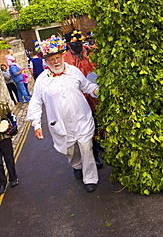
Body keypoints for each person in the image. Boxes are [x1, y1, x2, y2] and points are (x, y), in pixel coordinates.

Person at [26, 36, 99, 192]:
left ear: (62, 57)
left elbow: (86, 86)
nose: (56, 62)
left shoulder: (73, 71)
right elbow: (36, 102)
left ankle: (90, 178)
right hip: (60, 123)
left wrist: (97, 90)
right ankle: (77, 165)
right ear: (46, 61)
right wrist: (36, 124)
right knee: (70, 150)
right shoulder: (42, 81)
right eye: (52, 59)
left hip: (82, 118)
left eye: (58, 58)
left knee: (86, 147)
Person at [60, 17, 104, 169]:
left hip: (96, 96)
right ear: (68, 44)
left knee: (100, 124)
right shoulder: (65, 61)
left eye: (80, 42)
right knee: (86, 130)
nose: (78, 44)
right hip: (80, 101)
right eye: (74, 43)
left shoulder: (92, 52)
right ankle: (93, 156)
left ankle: (102, 146)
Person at [0, 101, 19, 195]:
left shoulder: (2, 106)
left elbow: (12, 116)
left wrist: (14, 126)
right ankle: (2, 183)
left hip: (4, 138)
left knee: (9, 159)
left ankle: (13, 178)